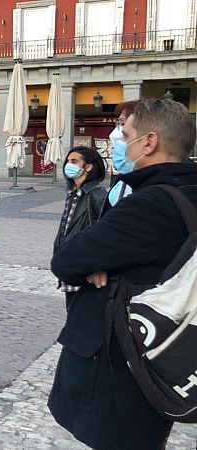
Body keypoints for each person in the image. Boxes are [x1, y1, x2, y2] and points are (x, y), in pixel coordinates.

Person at [48, 99, 197, 449]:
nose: (119, 142)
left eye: (125, 135)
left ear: (148, 142)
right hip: (167, 351)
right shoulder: (187, 191)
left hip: (124, 358)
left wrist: (99, 262)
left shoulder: (150, 202)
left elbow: (67, 260)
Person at [53, 146, 106, 311]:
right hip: (72, 264)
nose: (69, 165)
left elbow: (105, 235)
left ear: (88, 167)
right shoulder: (73, 194)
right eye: (68, 161)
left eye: (74, 161)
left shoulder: (97, 195)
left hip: (85, 269)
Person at [104, 100, 142, 211]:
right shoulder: (125, 177)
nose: (115, 134)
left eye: (122, 123)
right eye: (118, 124)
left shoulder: (153, 185)